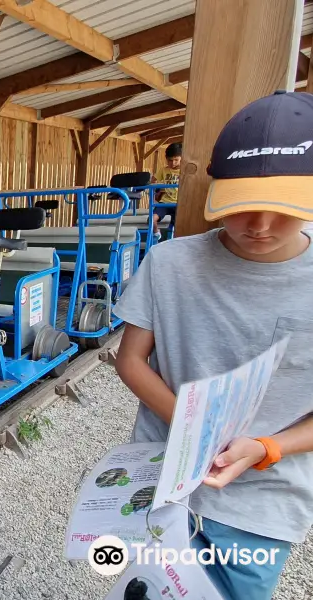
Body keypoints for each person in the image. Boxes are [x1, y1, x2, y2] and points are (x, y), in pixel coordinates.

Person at [112, 90, 313, 600]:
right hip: (162, 476)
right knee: (148, 589)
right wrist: (193, 426)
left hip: (262, 502)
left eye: (283, 209)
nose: (261, 226)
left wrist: (268, 448)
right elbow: (130, 359)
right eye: (244, 206)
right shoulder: (169, 263)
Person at [151, 143, 182, 239]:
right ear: (166, 159)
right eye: (170, 160)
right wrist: (158, 188)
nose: (173, 163)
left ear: (182, 158)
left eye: (176, 160)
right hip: (165, 202)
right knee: (151, 220)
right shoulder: (163, 170)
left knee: (178, 225)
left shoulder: (185, 171)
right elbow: (153, 181)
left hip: (179, 203)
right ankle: (157, 234)